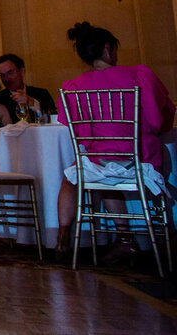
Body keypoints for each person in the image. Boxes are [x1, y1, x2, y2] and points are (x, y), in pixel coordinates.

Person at [55, 22, 174, 263]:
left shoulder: (74, 87)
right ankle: (161, 237)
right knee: (158, 154)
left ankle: (68, 234)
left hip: (101, 165)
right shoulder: (140, 74)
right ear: (108, 49)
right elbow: (162, 116)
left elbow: (77, 129)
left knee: (87, 173)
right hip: (142, 160)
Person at [0, 53, 57, 122]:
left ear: (22, 72)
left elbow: (53, 119)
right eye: (2, 75)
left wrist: (32, 103)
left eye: (10, 73)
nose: (6, 79)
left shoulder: (42, 94)